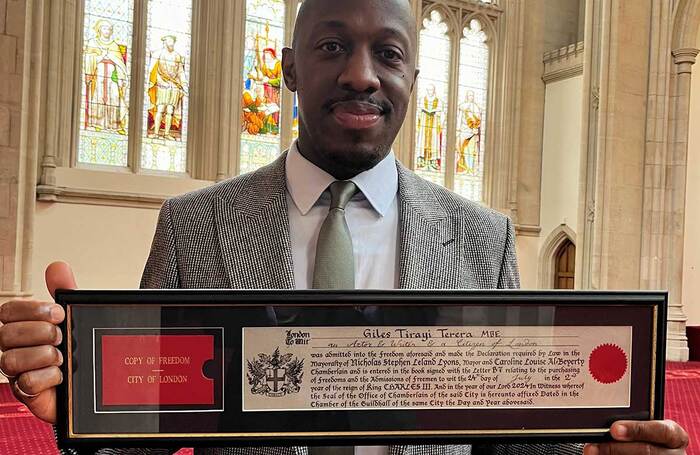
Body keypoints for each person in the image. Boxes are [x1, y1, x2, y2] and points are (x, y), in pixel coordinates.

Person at [0, 1, 689, 455]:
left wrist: (601, 448)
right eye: (333, 46)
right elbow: (147, 424)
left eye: (388, 54)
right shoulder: (195, 224)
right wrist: (79, 409)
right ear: (290, 68)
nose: (362, 75)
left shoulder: (482, 237)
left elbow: (510, 432)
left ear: (411, 77)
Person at [83, 19, 129, 134]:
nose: (107, 31)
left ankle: (114, 124)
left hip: (112, 76)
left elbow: (120, 63)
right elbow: (88, 59)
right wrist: (100, 56)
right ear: (99, 29)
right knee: (98, 97)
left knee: (114, 97)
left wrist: (120, 77)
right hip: (98, 75)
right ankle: (97, 123)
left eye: (109, 29)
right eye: (104, 28)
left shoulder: (114, 46)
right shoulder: (93, 43)